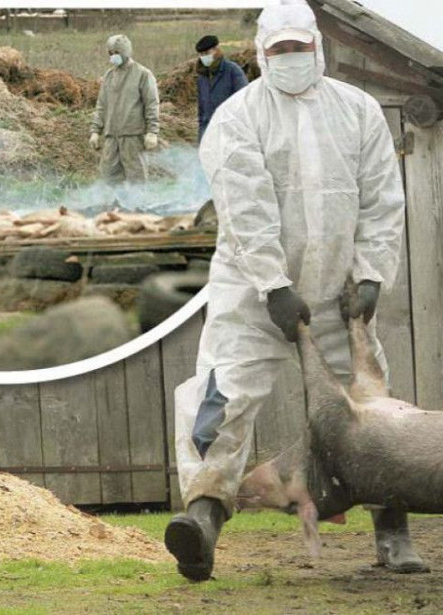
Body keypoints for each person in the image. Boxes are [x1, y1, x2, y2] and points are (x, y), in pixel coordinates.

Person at [164, 0, 424, 582]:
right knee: (219, 397)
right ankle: (203, 517)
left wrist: (372, 275)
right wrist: (274, 285)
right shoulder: (238, 118)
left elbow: (383, 199)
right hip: (253, 295)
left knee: (368, 408)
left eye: (298, 48)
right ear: (262, 53)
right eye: (278, 49)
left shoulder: (357, 112)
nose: (289, 58)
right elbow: (244, 207)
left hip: (337, 295)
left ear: (317, 48)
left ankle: (392, 530)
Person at [89, 34, 160, 184]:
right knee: (107, 180)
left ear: (125, 51)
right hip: (111, 138)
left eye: (116, 53)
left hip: (132, 137)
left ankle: (137, 207)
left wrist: (152, 132)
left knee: (137, 180)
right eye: (110, 53)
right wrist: (95, 131)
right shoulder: (109, 76)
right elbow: (101, 106)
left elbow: (151, 104)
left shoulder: (142, 74)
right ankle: (110, 207)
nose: (113, 56)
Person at [195, 34, 248, 142]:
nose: (204, 57)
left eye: (207, 53)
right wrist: (202, 139)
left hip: (230, 131)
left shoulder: (233, 71)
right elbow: (202, 111)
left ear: (216, 50)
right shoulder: (202, 76)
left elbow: (245, 102)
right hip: (210, 131)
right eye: (201, 54)